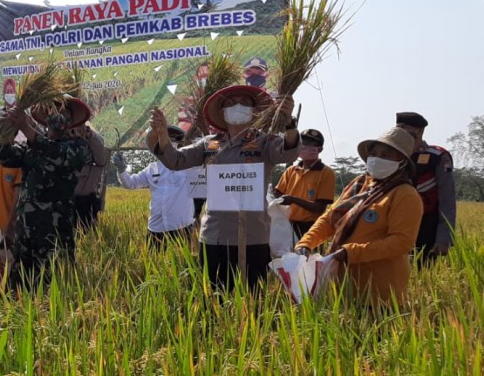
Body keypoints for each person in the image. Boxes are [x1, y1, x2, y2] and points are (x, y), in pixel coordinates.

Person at [148, 85, 299, 291]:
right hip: (215, 234)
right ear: (222, 112)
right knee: (213, 298)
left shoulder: (265, 142)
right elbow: (176, 160)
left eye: (244, 102)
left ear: (254, 110)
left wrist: (289, 123)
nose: (238, 106)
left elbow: (287, 153)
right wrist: (163, 134)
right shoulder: (209, 145)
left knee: (252, 299)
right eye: (231, 103)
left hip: (253, 235)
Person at [295, 127, 423, 307]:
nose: (377, 158)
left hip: (380, 292)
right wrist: (306, 242)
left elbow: (401, 242)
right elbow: (331, 217)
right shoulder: (360, 184)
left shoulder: (405, 195)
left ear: (402, 161)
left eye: (386, 155)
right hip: (343, 285)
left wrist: (351, 252)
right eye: (374, 153)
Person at [0, 96, 93, 289]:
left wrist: (25, 126)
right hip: (25, 238)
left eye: (64, 112)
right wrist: (5, 129)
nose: (57, 115)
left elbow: (54, 152)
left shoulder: (78, 148)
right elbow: (5, 157)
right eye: (53, 110)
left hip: (55, 238)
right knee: (18, 293)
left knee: (52, 295)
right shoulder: (30, 148)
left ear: (71, 121)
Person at [113, 125, 196, 248]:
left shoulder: (189, 165)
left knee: (183, 264)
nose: (168, 142)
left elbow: (209, 155)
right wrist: (121, 169)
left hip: (182, 227)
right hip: (156, 228)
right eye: (163, 139)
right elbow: (130, 184)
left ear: (180, 144)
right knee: (153, 264)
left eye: (172, 139)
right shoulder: (151, 168)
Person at [395, 112, 456, 264]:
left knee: (422, 273)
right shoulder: (391, 154)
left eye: (406, 133)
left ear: (419, 132)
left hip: (427, 225)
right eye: (398, 132)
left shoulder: (437, 156)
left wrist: (444, 238)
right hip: (395, 224)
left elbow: (447, 199)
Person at [273, 129, 336, 243]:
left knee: (309, 259)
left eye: (311, 144)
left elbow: (319, 207)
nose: (305, 147)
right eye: (302, 143)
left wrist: (293, 200)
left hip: (310, 227)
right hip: (287, 226)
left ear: (319, 149)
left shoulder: (326, 172)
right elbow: (278, 193)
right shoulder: (291, 170)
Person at [72, 124, 108, 231]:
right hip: (65, 202)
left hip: (86, 204)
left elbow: (101, 154)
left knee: (85, 236)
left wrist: (88, 134)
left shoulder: (96, 162)